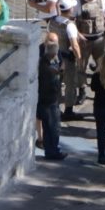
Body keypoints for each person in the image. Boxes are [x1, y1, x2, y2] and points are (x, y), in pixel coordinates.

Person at [75, 0, 105, 107]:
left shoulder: (102, 0)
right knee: (81, 66)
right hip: (84, 41)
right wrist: (78, 34)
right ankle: (82, 90)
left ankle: (103, 89)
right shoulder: (79, 2)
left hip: (99, 39)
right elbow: (72, 19)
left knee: (102, 66)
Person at [48, 0, 82, 120]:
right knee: (70, 84)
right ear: (70, 10)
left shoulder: (52, 21)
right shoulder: (70, 26)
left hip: (54, 57)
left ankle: (55, 107)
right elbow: (74, 45)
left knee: (56, 83)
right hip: (67, 59)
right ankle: (69, 110)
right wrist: (79, 58)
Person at [38, 32, 67, 160]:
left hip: (46, 99)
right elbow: (55, 79)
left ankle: (50, 150)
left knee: (48, 126)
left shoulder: (45, 60)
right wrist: (60, 72)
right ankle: (53, 151)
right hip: (49, 100)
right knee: (53, 127)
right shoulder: (48, 67)